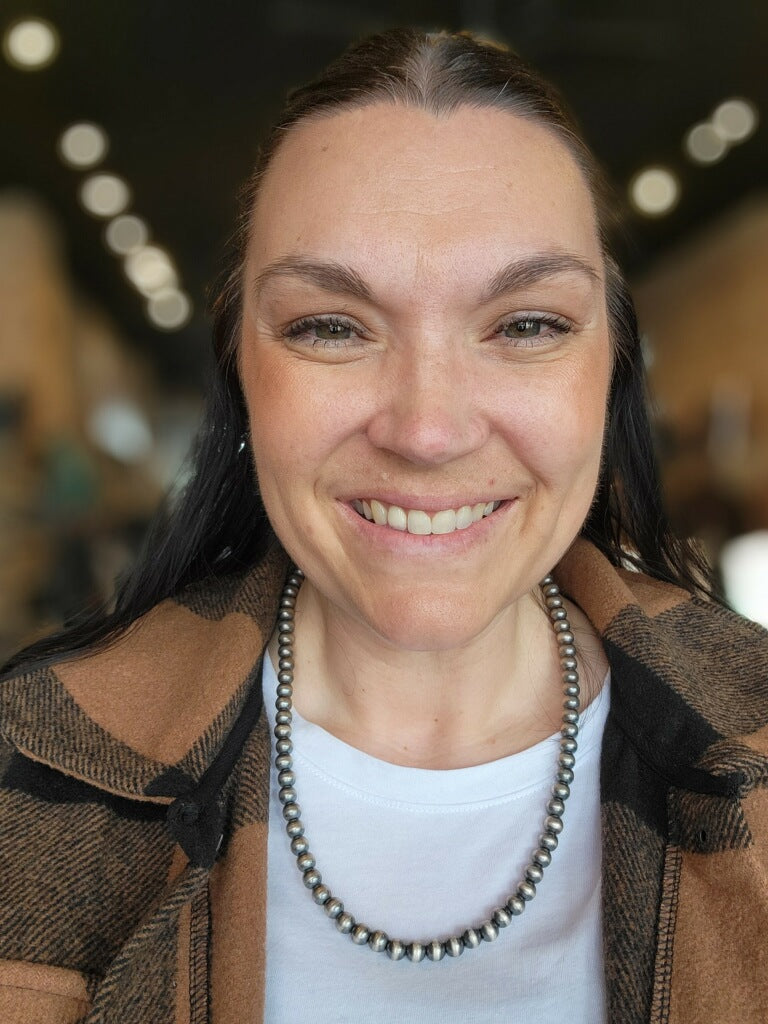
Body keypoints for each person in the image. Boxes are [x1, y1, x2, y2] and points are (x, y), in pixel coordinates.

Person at [1, 26, 767, 1024]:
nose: (427, 429)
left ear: (610, 369)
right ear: (241, 370)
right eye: (331, 326)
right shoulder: (27, 777)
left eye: (527, 324)